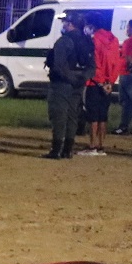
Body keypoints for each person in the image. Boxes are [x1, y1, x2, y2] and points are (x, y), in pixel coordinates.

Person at [44, 12, 93, 159]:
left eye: (65, 22)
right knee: (72, 115)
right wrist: (81, 78)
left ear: (71, 24)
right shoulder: (87, 41)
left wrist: (70, 78)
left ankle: (56, 150)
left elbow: (59, 66)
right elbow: (92, 66)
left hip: (62, 83)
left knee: (59, 115)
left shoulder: (64, 41)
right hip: (78, 83)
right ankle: (67, 150)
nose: (63, 24)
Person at [81, 14, 122, 155]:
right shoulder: (114, 40)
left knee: (93, 115)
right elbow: (116, 63)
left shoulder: (94, 40)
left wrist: (100, 82)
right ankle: (101, 146)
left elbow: (95, 64)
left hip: (95, 83)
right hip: (108, 84)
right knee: (103, 115)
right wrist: (110, 82)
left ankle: (92, 146)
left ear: (92, 26)